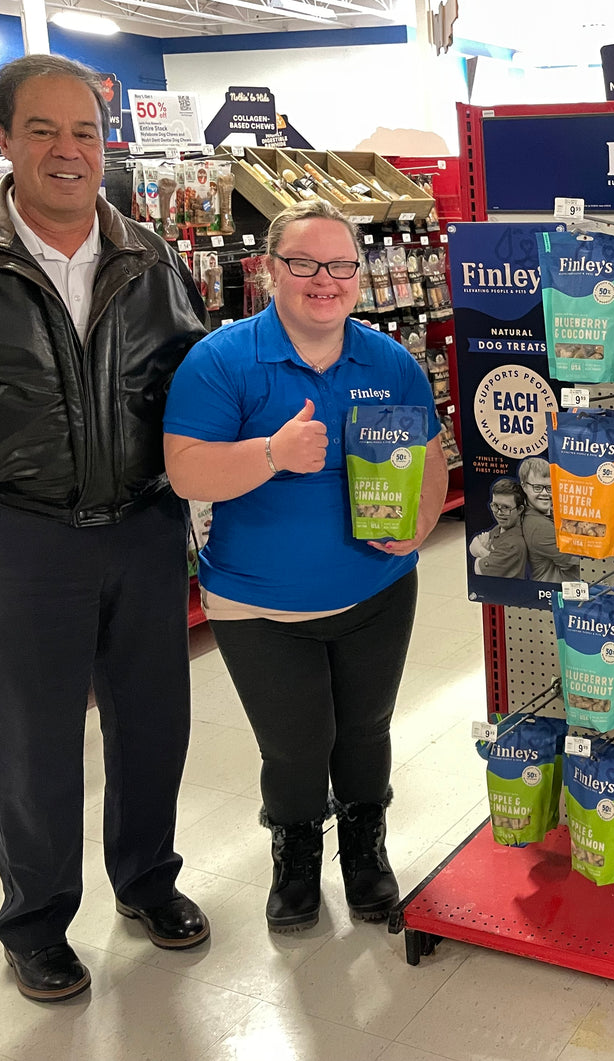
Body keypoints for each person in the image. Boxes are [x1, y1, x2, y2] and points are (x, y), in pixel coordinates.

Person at [0, 55, 210, 1001]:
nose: (69, 151)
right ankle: (34, 921)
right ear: (5, 137)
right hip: (23, 533)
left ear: (106, 144)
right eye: (45, 130)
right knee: (34, 739)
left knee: (155, 719)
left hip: (147, 524)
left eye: (86, 131)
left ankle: (148, 881)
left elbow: (198, 384)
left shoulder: (150, 257)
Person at [163, 199, 446, 932]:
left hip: (376, 593)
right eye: (305, 264)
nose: (326, 280)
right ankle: (295, 859)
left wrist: (416, 522)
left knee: (365, 729)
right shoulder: (222, 361)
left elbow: (433, 456)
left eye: (342, 265)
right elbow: (187, 469)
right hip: (258, 607)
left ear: (358, 273)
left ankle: (364, 849)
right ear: (269, 270)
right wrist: (270, 454)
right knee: (293, 745)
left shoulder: (388, 360)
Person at [517, 455, 582, 582]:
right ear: (524, 486)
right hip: (557, 591)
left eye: (549, 487)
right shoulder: (539, 526)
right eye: (537, 487)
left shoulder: (547, 513)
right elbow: (573, 559)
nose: (545, 493)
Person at [471, 477, 529, 578]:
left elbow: (478, 568)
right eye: (495, 506)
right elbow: (473, 545)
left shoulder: (514, 543)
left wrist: (481, 550)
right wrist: (489, 554)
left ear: (520, 509)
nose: (499, 513)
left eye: (506, 507)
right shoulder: (499, 529)